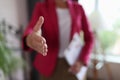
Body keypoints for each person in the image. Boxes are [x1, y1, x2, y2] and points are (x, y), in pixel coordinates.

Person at [22, 0, 94, 80]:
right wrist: (30, 39)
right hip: (49, 66)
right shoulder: (42, 7)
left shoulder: (79, 8)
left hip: (73, 65)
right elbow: (32, 28)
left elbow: (89, 38)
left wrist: (82, 60)